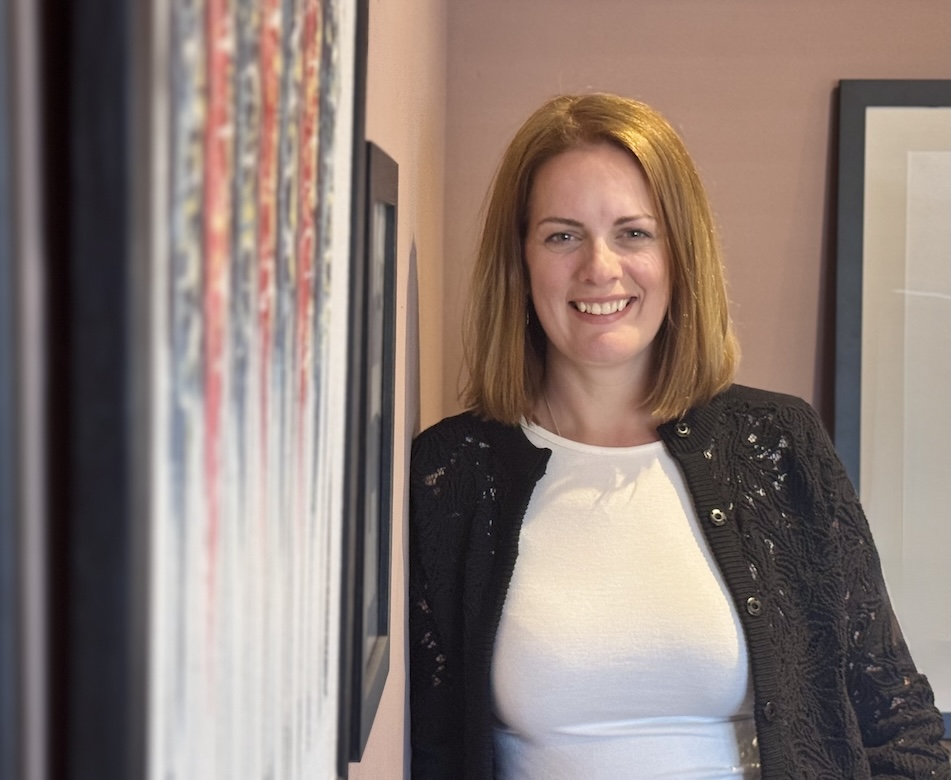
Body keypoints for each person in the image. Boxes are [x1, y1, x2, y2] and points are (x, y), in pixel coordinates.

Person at [408, 92, 949, 779]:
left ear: (679, 253)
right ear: (519, 260)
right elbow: (429, 748)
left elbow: (899, 726)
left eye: (633, 232)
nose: (599, 268)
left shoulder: (776, 445)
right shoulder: (452, 472)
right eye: (561, 234)